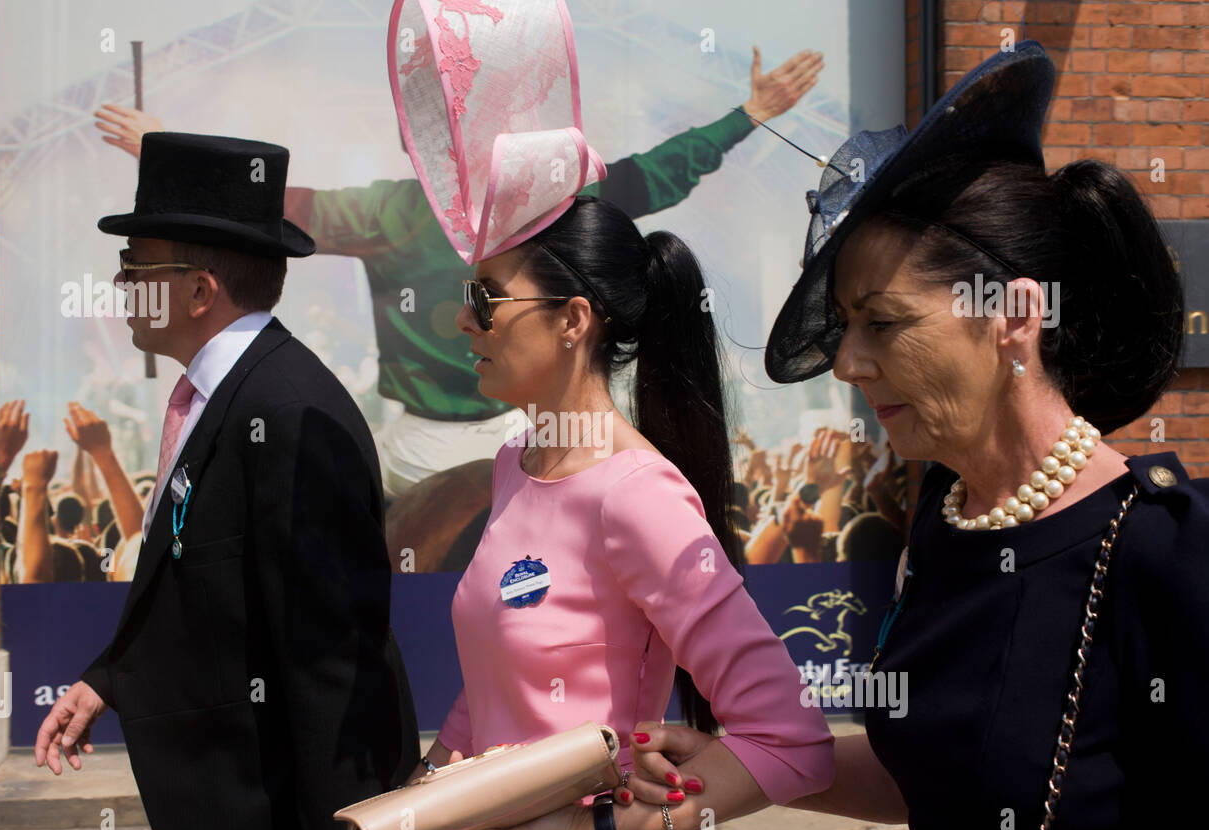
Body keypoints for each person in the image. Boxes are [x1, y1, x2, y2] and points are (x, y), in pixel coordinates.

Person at [620, 41, 1209, 830]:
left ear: (1012, 315)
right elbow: (935, 779)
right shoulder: (945, 521)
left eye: (883, 323)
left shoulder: (1163, 547)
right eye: (845, 327)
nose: (849, 364)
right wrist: (751, 762)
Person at [93, 46, 824, 501]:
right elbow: (653, 177)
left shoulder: (399, 211)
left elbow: (269, 207)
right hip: (504, 433)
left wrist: (160, 150)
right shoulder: (537, 201)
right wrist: (748, 113)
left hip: (451, 443)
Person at [33, 132, 421, 830]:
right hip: (216, 827)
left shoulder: (290, 413)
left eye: (133, 267)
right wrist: (108, 677)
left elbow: (331, 664)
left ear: (199, 288)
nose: (119, 286)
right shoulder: (218, 398)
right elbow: (202, 587)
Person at [412, 194, 836, 830]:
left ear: (573, 319)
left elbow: (792, 741)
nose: (465, 319)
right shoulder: (512, 466)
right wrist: (413, 808)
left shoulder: (637, 495)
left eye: (487, 298)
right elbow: (491, 687)